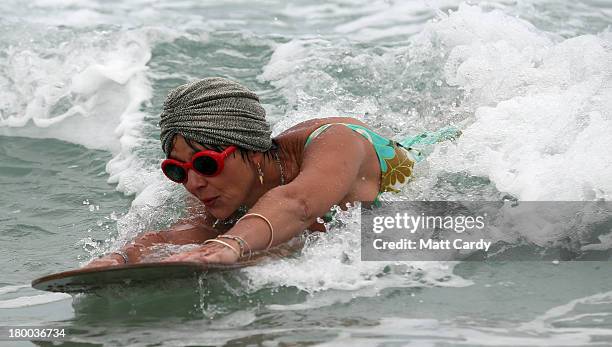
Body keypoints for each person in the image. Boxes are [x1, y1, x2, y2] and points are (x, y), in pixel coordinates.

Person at [86, 77, 457, 268]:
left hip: (445, 153)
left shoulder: (335, 143)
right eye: (177, 170)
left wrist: (230, 245)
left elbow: (296, 204)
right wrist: (122, 258)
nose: (194, 182)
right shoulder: (207, 181)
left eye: (205, 163)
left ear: (249, 147)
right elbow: (193, 230)